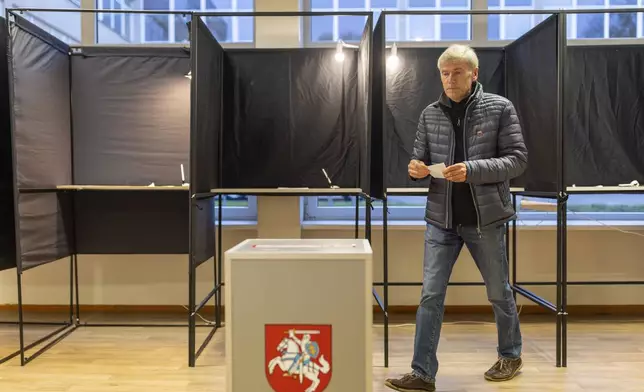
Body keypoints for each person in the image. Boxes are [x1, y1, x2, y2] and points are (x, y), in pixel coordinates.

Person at [384, 44, 528, 392]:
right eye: (444, 74)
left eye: (457, 72)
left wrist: (473, 170)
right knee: (430, 296)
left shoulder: (499, 108)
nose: (449, 79)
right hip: (441, 221)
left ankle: (510, 354)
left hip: (486, 220)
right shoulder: (430, 114)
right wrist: (416, 169)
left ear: (474, 74)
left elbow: (518, 159)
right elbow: (418, 158)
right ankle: (422, 373)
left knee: (498, 292)